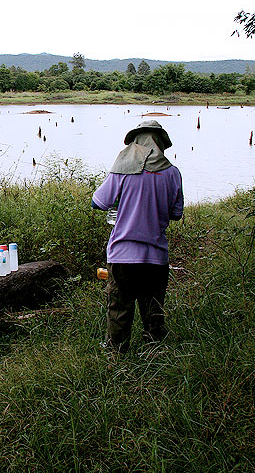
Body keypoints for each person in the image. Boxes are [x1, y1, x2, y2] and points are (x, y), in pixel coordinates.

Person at [91, 120, 184, 352]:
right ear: (160, 144)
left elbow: (98, 202)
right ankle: (154, 352)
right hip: (156, 256)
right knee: (153, 308)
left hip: (122, 254)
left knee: (119, 307)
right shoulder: (173, 173)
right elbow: (176, 213)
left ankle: (116, 352)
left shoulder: (121, 170)